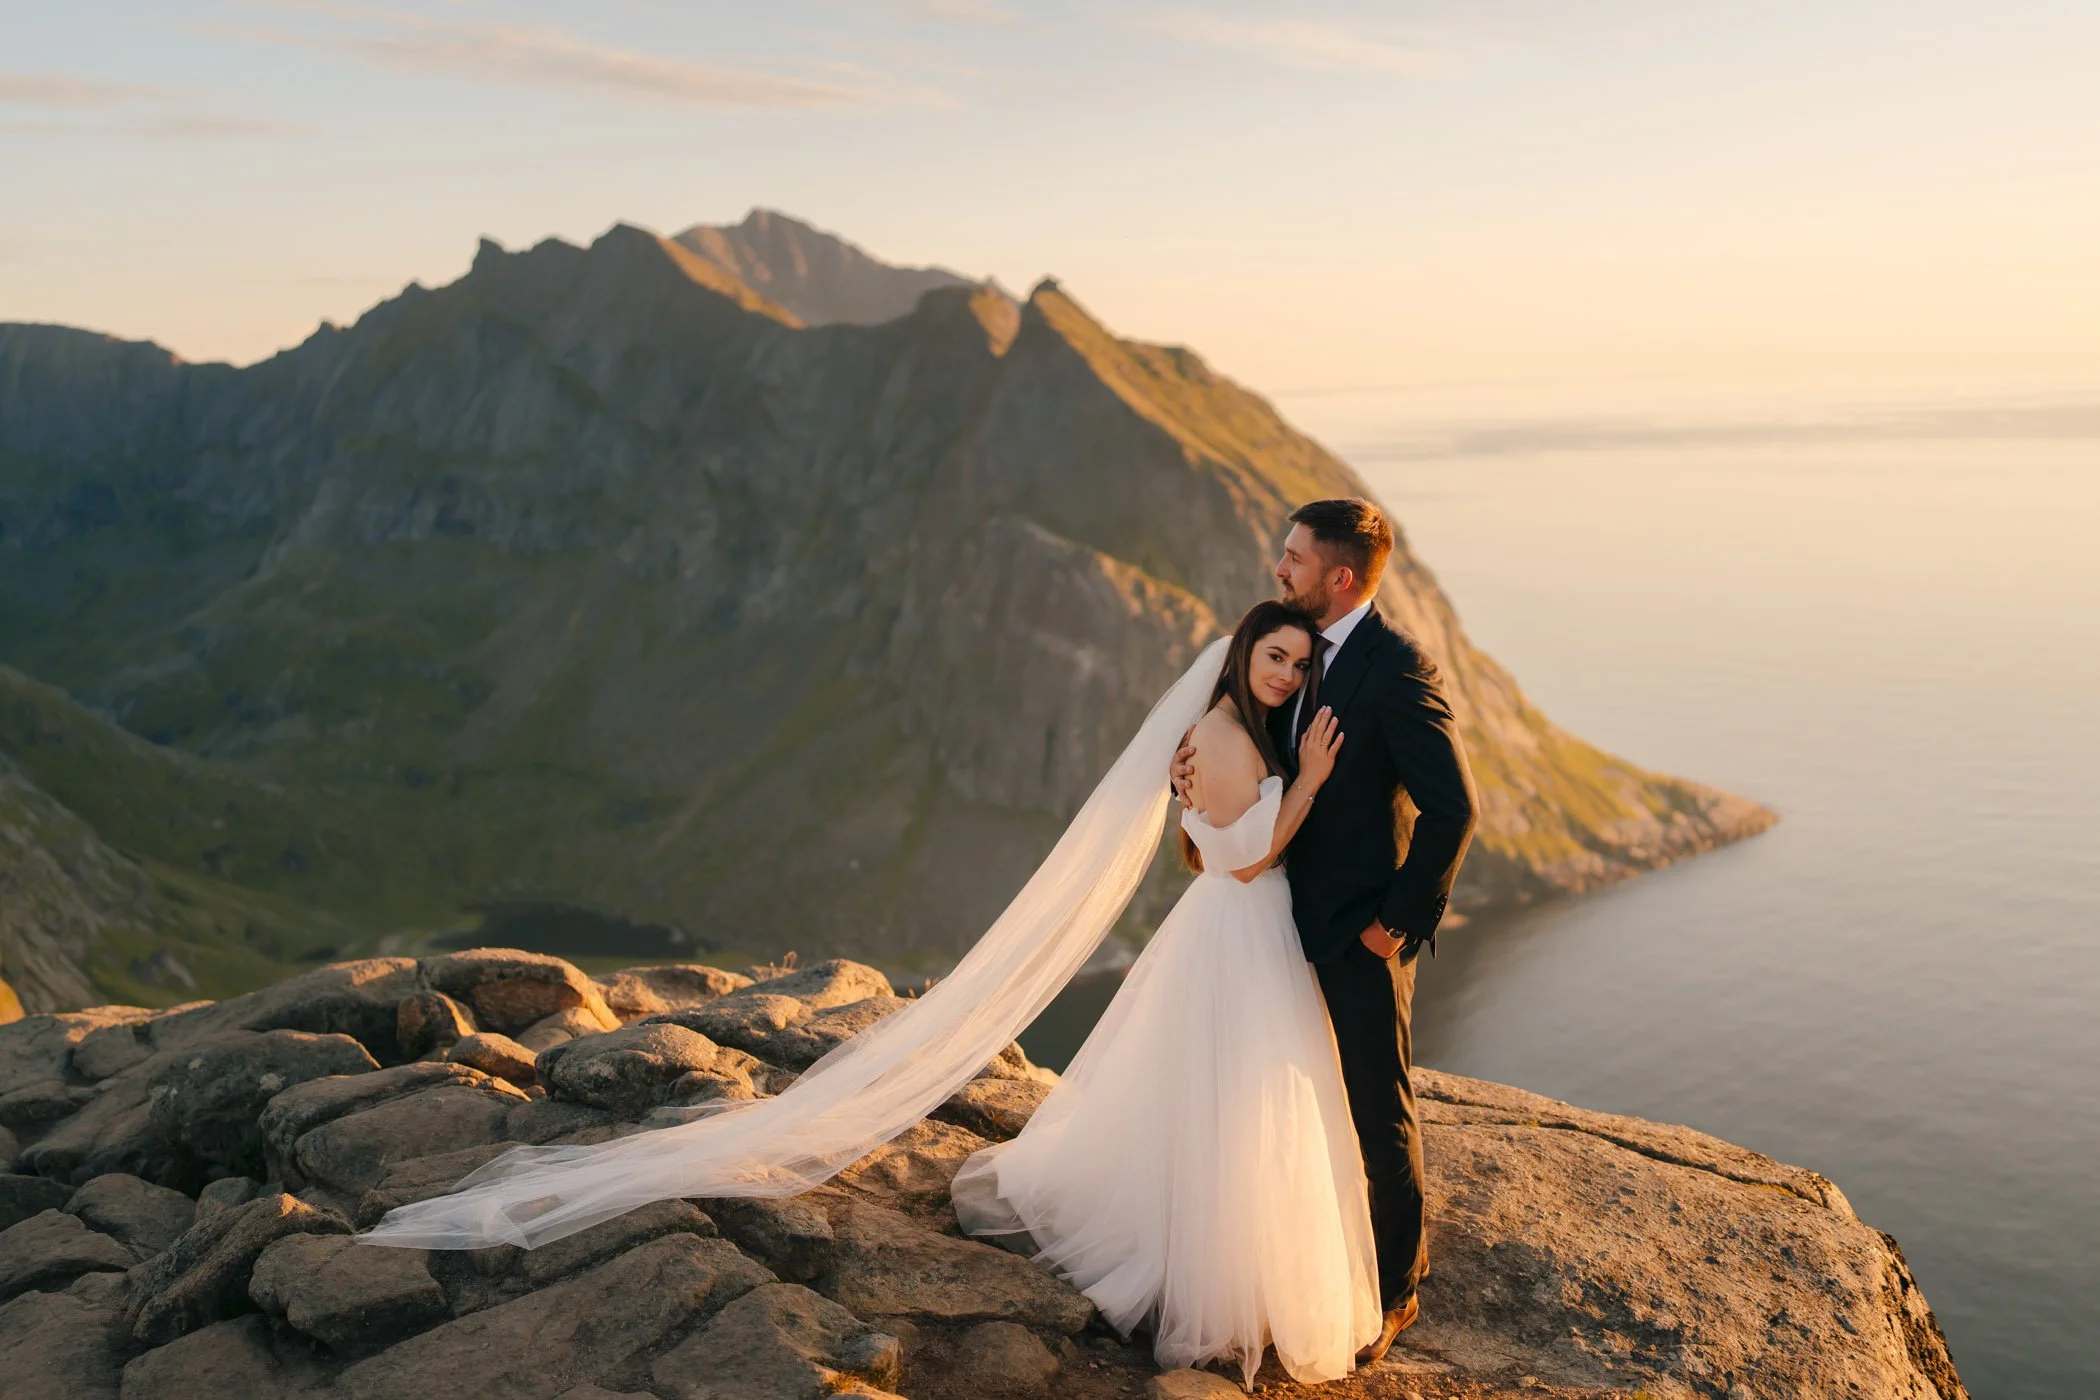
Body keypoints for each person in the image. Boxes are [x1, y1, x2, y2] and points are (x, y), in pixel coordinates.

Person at [951, 600, 1379, 1387]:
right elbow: (1244, 861)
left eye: (1298, 663)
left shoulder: (1240, 729)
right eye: (1274, 658)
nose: (1287, 675)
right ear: (1242, 654)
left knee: (1247, 1100)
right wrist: (1310, 782)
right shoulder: (1219, 735)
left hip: (1256, 927)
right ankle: (1211, 1282)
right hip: (1239, 925)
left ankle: (1242, 1265)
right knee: (1231, 1100)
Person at [1172, 497, 1480, 1365]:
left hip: (1355, 936)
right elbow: (1250, 738)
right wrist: (1187, 767)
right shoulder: (1294, 649)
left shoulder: (1396, 668)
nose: (1280, 569)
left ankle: (1392, 1295)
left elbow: (1454, 807)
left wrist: (1394, 926)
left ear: (1339, 577)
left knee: (1378, 1115)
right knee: (1283, 1108)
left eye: (1295, 558)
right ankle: (1290, 1269)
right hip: (1270, 927)